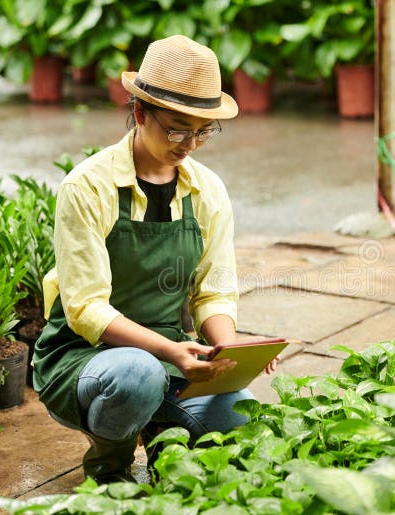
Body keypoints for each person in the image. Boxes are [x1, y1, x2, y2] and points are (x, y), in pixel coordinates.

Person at [33, 35, 272, 484]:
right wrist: (170, 351)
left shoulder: (207, 190)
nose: (190, 144)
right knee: (137, 375)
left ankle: (167, 446)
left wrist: (228, 350)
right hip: (86, 358)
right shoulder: (88, 187)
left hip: (167, 355)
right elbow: (85, 310)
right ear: (140, 113)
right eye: (178, 129)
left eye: (203, 131)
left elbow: (214, 290)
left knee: (241, 410)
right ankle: (110, 466)